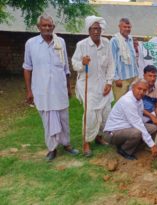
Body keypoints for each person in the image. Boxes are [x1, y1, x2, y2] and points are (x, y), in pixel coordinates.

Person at [23, 13, 78, 161]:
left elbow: (66, 67)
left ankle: (66, 144)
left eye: (50, 25)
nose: (47, 28)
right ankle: (52, 148)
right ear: (38, 27)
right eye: (44, 25)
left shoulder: (61, 42)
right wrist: (29, 91)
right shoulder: (31, 44)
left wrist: (68, 88)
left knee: (63, 118)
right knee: (47, 120)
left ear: (53, 27)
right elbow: (27, 68)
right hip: (42, 90)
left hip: (59, 88)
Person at [72, 16, 115, 156]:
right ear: (89, 30)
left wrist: (109, 82)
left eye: (98, 28)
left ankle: (99, 137)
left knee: (105, 112)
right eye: (93, 29)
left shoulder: (106, 43)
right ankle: (86, 142)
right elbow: (74, 64)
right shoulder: (81, 45)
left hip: (103, 85)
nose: (96, 31)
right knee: (90, 115)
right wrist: (82, 63)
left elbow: (110, 64)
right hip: (88, 86)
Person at [103, 79, 157, 160]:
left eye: (144, 90)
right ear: (133, 88)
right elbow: (138, 124)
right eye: (139, 89)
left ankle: (129, 144)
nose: (141, 92)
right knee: (137, 132)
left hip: (127, 127)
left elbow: (139, 119)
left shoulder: (139, 100)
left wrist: (153, 115)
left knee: (153, 128)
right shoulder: (128, 101)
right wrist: (152, 145)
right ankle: (124, 150)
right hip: (112, 133)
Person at [110, 18, 139, 101]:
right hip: (121, 79)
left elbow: (133, 57)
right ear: (119, 27)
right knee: (121, 103)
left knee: (132, 102)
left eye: (129, 27)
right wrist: (116, 78)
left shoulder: (131, 39)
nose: (127, 29)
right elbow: (111, 61)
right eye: (125, 27)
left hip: (133, 77)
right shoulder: (114, 41)